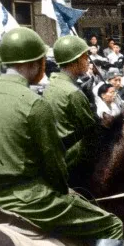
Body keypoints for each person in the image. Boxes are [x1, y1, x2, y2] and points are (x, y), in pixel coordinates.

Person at [0, 28, 124, 246]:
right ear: (35, 63)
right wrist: (62, 189)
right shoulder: (34, 103)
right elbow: (54, 164)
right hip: (31, 200)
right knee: (113, 226)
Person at [44, 36, 98, 172]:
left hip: (53, 154)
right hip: (69, 157)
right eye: (86, 58)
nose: (88, 62)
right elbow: (91, 130)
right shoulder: (73, 92)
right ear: (78, 60)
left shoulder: (52, 83)